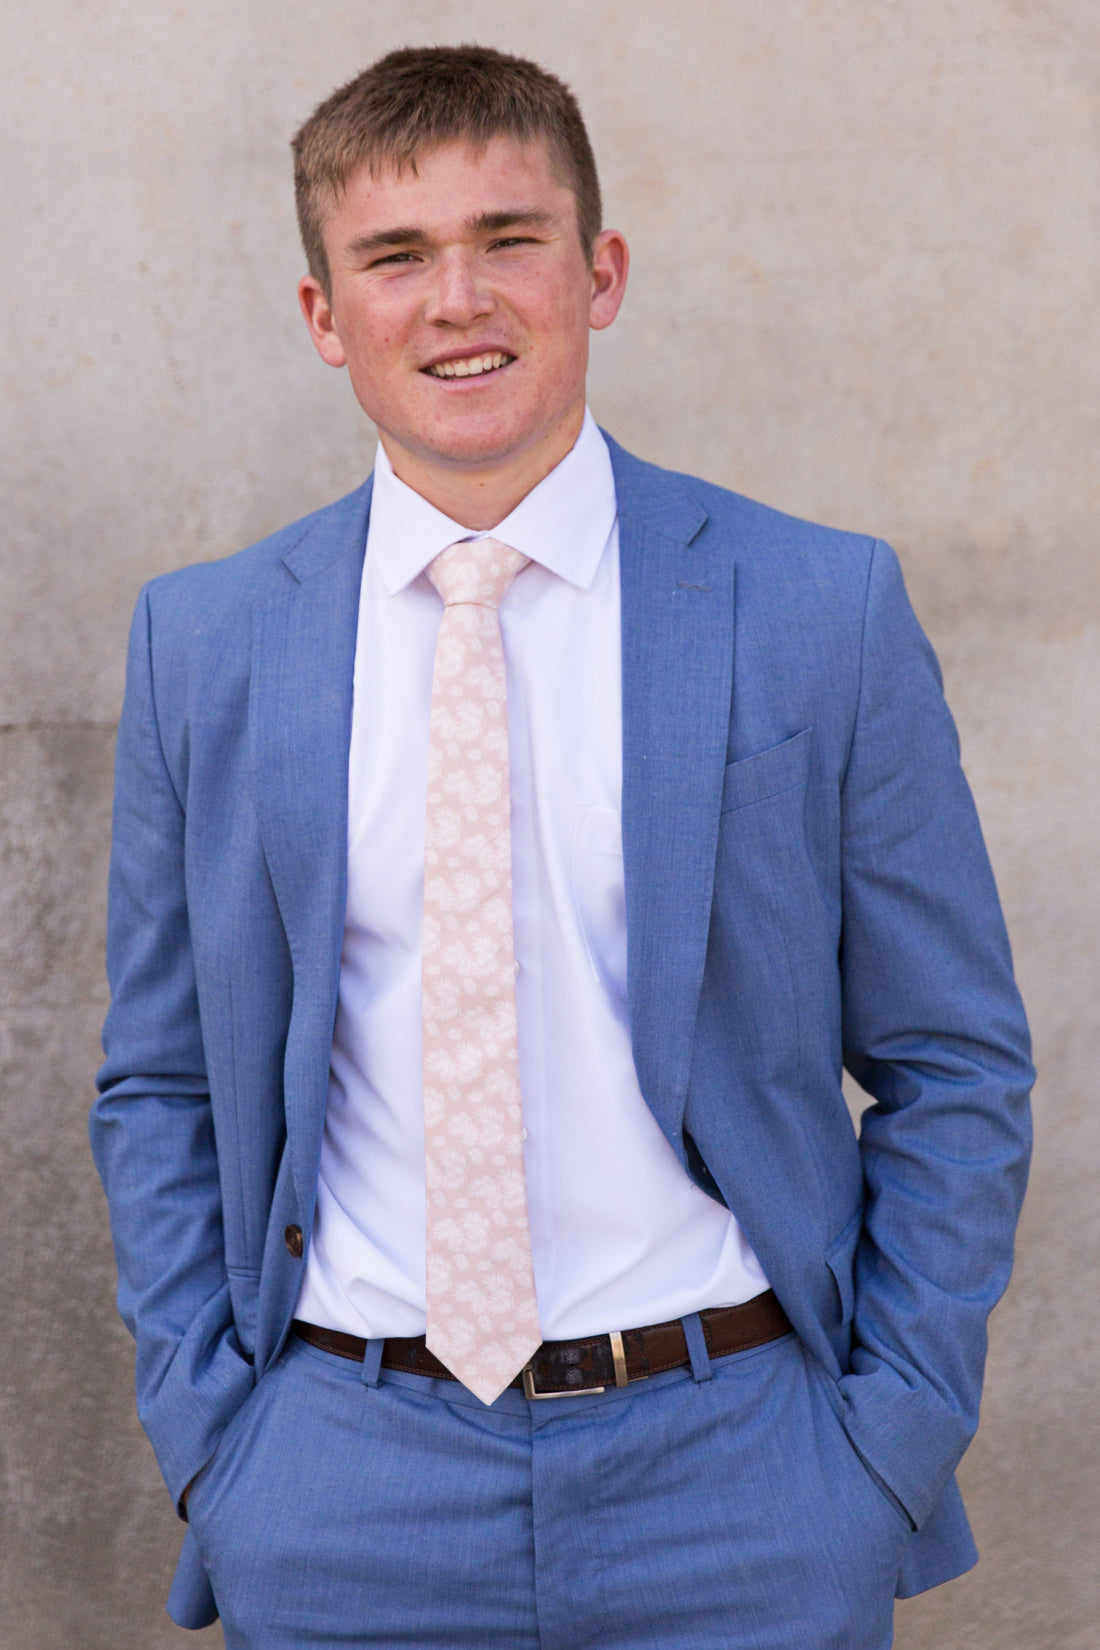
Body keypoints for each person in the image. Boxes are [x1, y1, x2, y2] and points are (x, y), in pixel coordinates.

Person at [91, 43, 1033, 1650]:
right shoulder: (209, 645)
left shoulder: (816, 608)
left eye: (508, 237)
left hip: (743, 1473)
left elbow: (954, 1057)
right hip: (341, 1485)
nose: (456, 297)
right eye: (395, 256)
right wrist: (220, 1444)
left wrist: (883, 1444)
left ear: (598, 273)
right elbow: (162, 1083)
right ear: (327, 316)